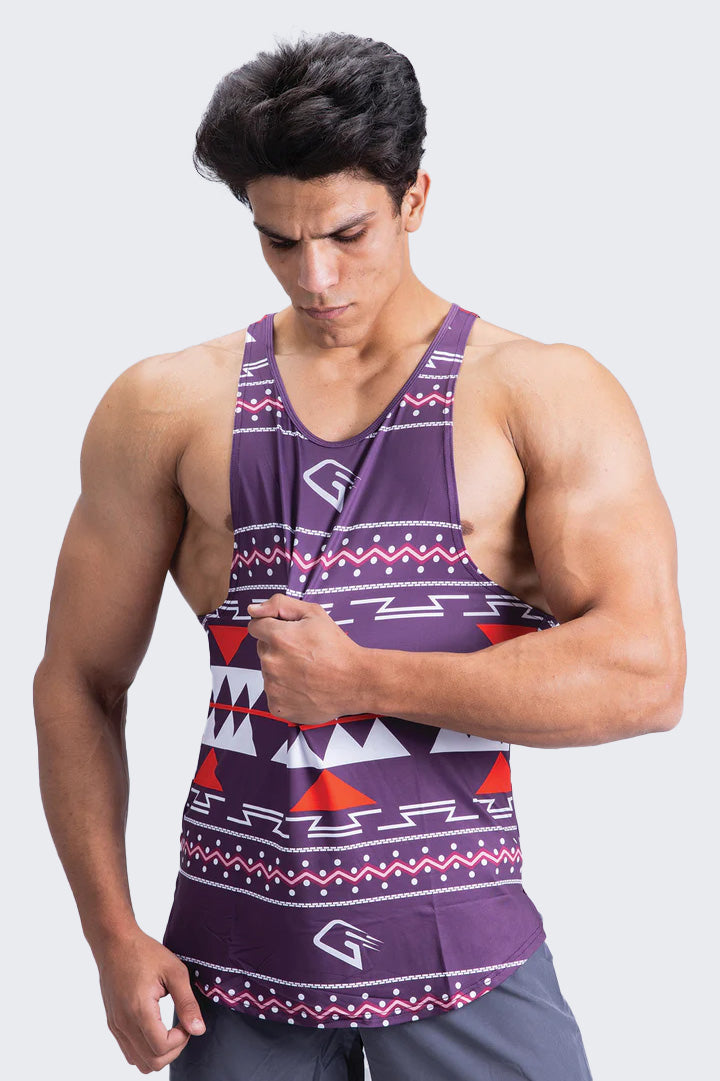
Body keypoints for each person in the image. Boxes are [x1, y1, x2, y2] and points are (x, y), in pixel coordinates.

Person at [34, 29, 685, 1081]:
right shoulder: (168, 404)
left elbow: (646, 676)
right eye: (279, 242)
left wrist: (365, 678)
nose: (318, 275)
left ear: (414, 198)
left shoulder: (540, 392)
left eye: (348, 233)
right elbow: (77, 677)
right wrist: (110, 934)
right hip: (232, 965)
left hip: (466, 951)